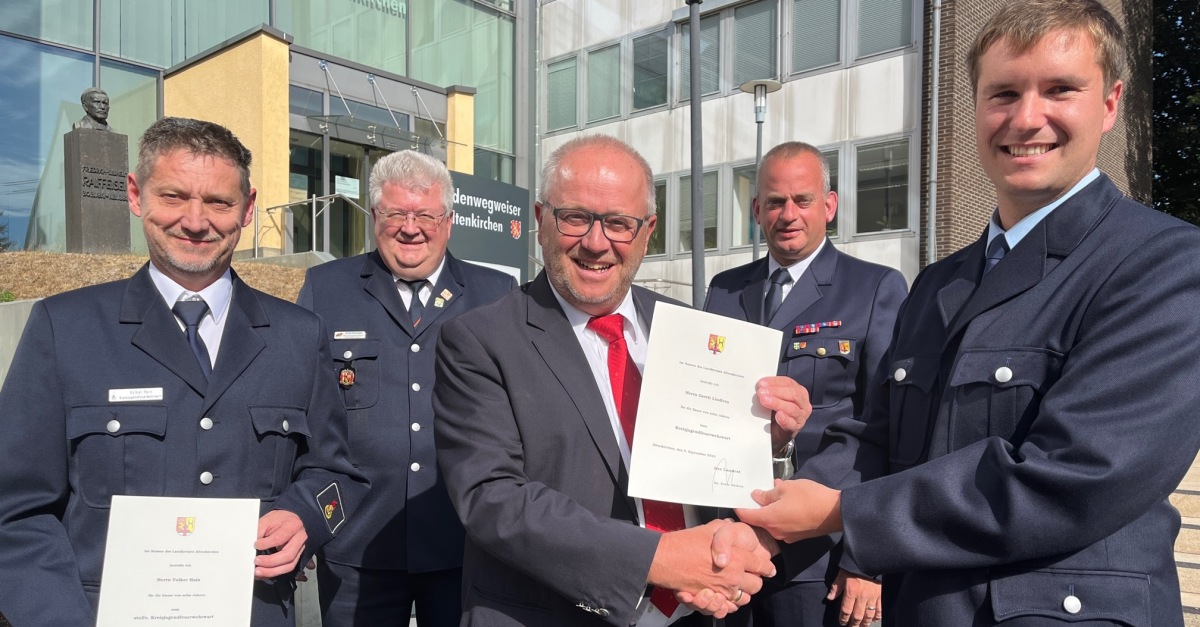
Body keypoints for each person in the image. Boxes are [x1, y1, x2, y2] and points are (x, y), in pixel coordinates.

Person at [732, 0, 1200, 624]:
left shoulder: (1161, 264)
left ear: (1110, 103)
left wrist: (842, 514)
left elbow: (1075, 476)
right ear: (976, 107)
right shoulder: (936, 284)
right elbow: (879, 438)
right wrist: (763, 515)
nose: (1027, 118)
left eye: (1060, 90)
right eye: (1003, 93)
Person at [0, 117, 369, 626]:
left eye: (218, 202)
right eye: (173, 196)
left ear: (248, 207)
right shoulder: (66, 329)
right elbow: (14, 511)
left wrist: (307, 517)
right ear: (136, 194)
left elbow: (338, 475)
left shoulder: (298, 336)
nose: (196, 222)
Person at [433, 134, 811, 626]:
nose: (596, 242)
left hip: (699, 612)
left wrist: (767, 442)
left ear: (647, 231)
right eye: (575, 217)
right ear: (541, 220)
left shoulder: (689, 330)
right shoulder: (479, 340)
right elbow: (492, 499)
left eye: (618, 223)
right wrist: (659, 558)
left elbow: (716, 476)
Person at [297, 149, 516, 626]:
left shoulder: (497, 296)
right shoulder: (325, 289)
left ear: (450, 220)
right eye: (396, 213)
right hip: (357, 540)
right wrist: (304, 515)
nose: (411, 228)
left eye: (426, 215)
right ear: (375, 216)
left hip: (465, 541)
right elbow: (300, 409)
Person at [704, 142, 905, 627]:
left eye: (803, 200)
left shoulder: (876, 288)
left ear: (830, 206)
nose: (788, 214)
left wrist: (867, 557)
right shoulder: (724, 290)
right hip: (732, 548)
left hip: (820, 555)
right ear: (756, 210)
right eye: (774, 202)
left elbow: (890, 429)